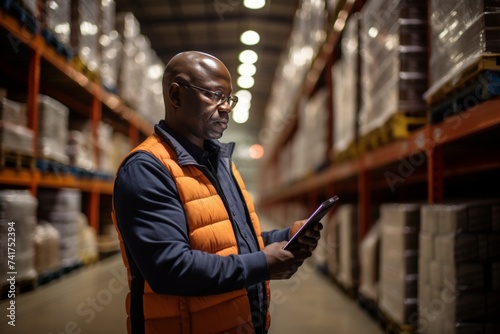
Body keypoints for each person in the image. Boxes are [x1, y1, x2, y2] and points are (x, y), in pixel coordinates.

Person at [112, 51, 323, 334]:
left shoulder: (220, 163)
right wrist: (263, 265)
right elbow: (170, 269)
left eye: (229, 98)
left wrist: (286, 237)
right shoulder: (146, 169)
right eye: (215, 95)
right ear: (176, 95)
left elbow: (232, 241)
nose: (225, 108)